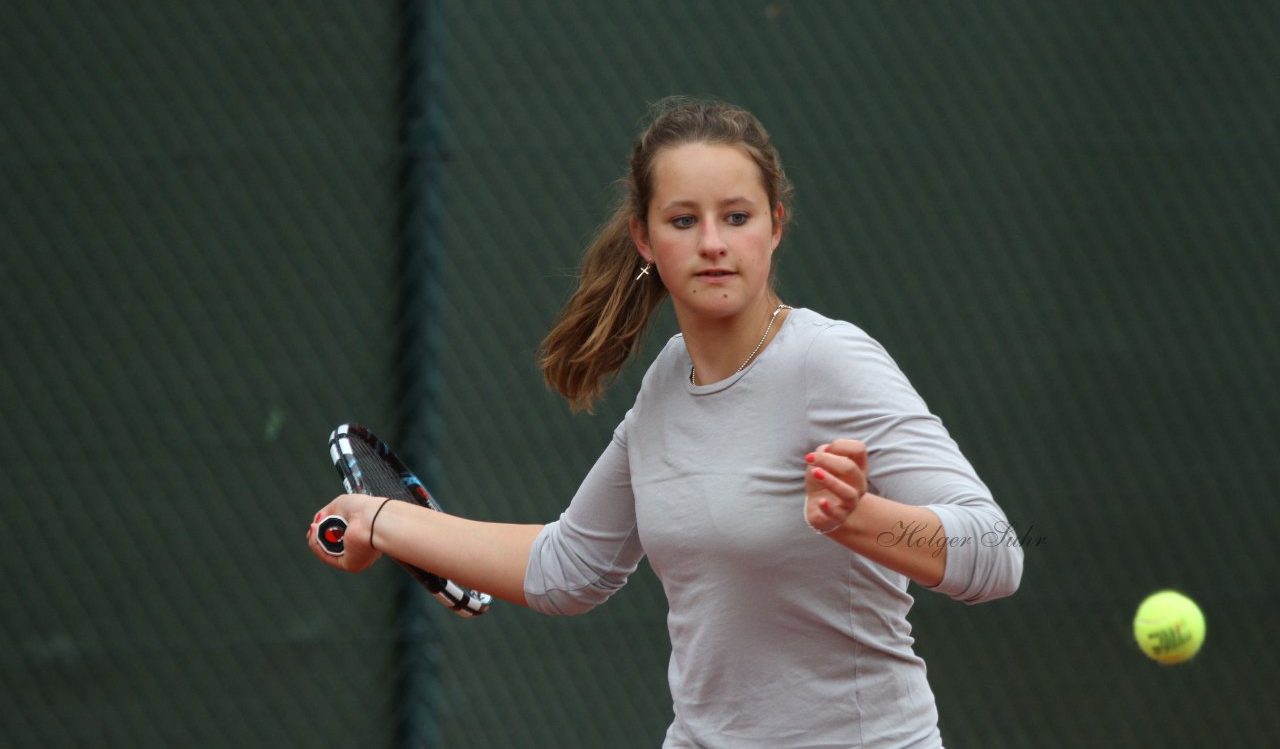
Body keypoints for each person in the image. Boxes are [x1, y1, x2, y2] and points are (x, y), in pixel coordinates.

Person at [308, 98, 1023, 748]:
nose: (712, 242)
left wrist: (857, 519)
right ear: (645, 239)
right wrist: (380, 520)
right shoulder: (666, 384)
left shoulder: (830, 361)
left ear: (775, 227)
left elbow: (995, 554)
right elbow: (569, 568)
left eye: (736, 217)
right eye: (684, 221)